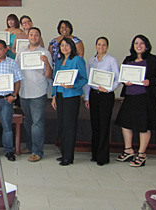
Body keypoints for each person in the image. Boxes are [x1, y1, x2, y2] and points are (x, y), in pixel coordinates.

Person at [115, 35, 156, 167]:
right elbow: (122, 76)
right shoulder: (128, 59)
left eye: (141, 43)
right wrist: (124, 81)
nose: (139, 46)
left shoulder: (153, 60)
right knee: (125, 123)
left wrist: (150, 81)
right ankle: (128, 150)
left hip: (146, 98)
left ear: (147, 45)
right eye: (136, 43)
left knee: (144, 125)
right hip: (130, 96)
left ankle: (142, 154)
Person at [15, 27, 52, 162]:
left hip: (38, 92)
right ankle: (30, 147)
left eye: (36, 35)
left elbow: (49, 74)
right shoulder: (21, 52)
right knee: (28, 122)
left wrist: (47, 63)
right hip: (24, 92)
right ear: (28, 37)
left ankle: (37, 151)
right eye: (31, 34)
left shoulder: (45, 53)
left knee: (37, 122)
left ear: (39, 37)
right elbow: (16, 71)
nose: (34, 37)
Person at [83, 37, 120, 166]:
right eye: (99, 44)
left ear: (107, 47)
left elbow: (118, 78)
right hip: (94, 95)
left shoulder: (111, 60)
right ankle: (95, 154)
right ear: (95, 46)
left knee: (104, 125)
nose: (101, 47)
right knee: (95, 125)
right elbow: (88, 80)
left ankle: (103, 157)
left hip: (106, 95)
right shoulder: (91, 61)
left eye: (104, 45)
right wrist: (87, 97)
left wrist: (109, 89)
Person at [51, 38, 88, 166]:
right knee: (62, 125)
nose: (64, 47)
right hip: (60, 96)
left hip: (72, 96)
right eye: (62, 45)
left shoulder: (77, 60)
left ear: (72, 46)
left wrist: (73, 86)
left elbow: (84, 79)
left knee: (69, 126)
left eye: (67, 45)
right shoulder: (59, 61)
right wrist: (54, 96)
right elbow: (55, 80)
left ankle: (69, 156)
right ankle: (63, 154)